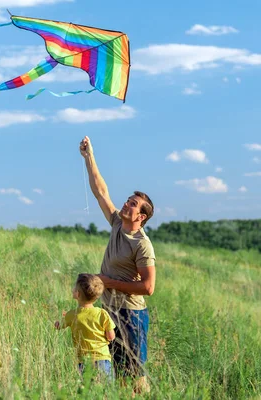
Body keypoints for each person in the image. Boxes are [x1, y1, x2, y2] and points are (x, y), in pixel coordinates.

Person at [78, 136, 156, 393]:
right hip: (108, 311)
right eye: (127, 200)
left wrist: (108, 282)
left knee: (135, 379)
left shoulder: (142, 244)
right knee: (118, 376)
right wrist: (89, 156)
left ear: (141, 216)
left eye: (132, 204)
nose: (125, 204)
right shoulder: (116, 224)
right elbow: (101, 191)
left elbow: (148, 287)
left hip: (131, 316)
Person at [55, 273, 116, 380]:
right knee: (105, 391)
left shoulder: (72, 315)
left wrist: (58, 321)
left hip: (84, 361)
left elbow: (58, 326)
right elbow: (111, 337)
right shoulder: (102, 313)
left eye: (74, 287)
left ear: (77, 294)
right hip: (103, 359)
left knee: (88, 390)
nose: (72, 289)